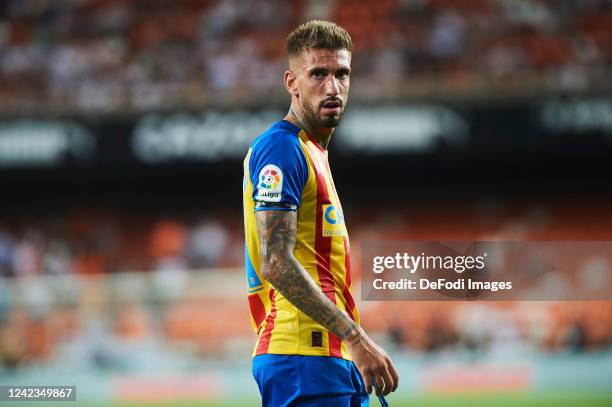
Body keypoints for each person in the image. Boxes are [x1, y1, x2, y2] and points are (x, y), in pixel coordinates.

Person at [243, 20, 399, 406]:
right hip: (303, 357)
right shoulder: (282, 149)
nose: (333, 87)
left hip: (329, 357)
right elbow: (275, 261)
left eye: (341, 74)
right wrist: (356, 337)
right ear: (291, 83)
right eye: (318, 74)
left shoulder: (313, 151)